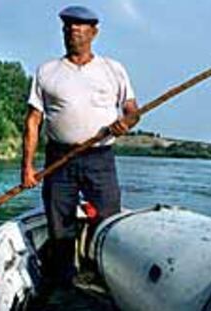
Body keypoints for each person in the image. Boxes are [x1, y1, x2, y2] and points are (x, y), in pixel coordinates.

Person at [21, 5, 138, 287]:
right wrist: (27, 168)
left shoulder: (113, 69)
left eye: (80, 27)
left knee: (109, 218)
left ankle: (102, 274)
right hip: (59, 159)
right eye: (68, 27)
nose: (73, 31)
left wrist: (126, 122)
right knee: (59, 222)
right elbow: (33, 122)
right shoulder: (47, 71)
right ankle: (64, 279)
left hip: (100, 159)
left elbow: (133, 110)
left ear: (94, 33)